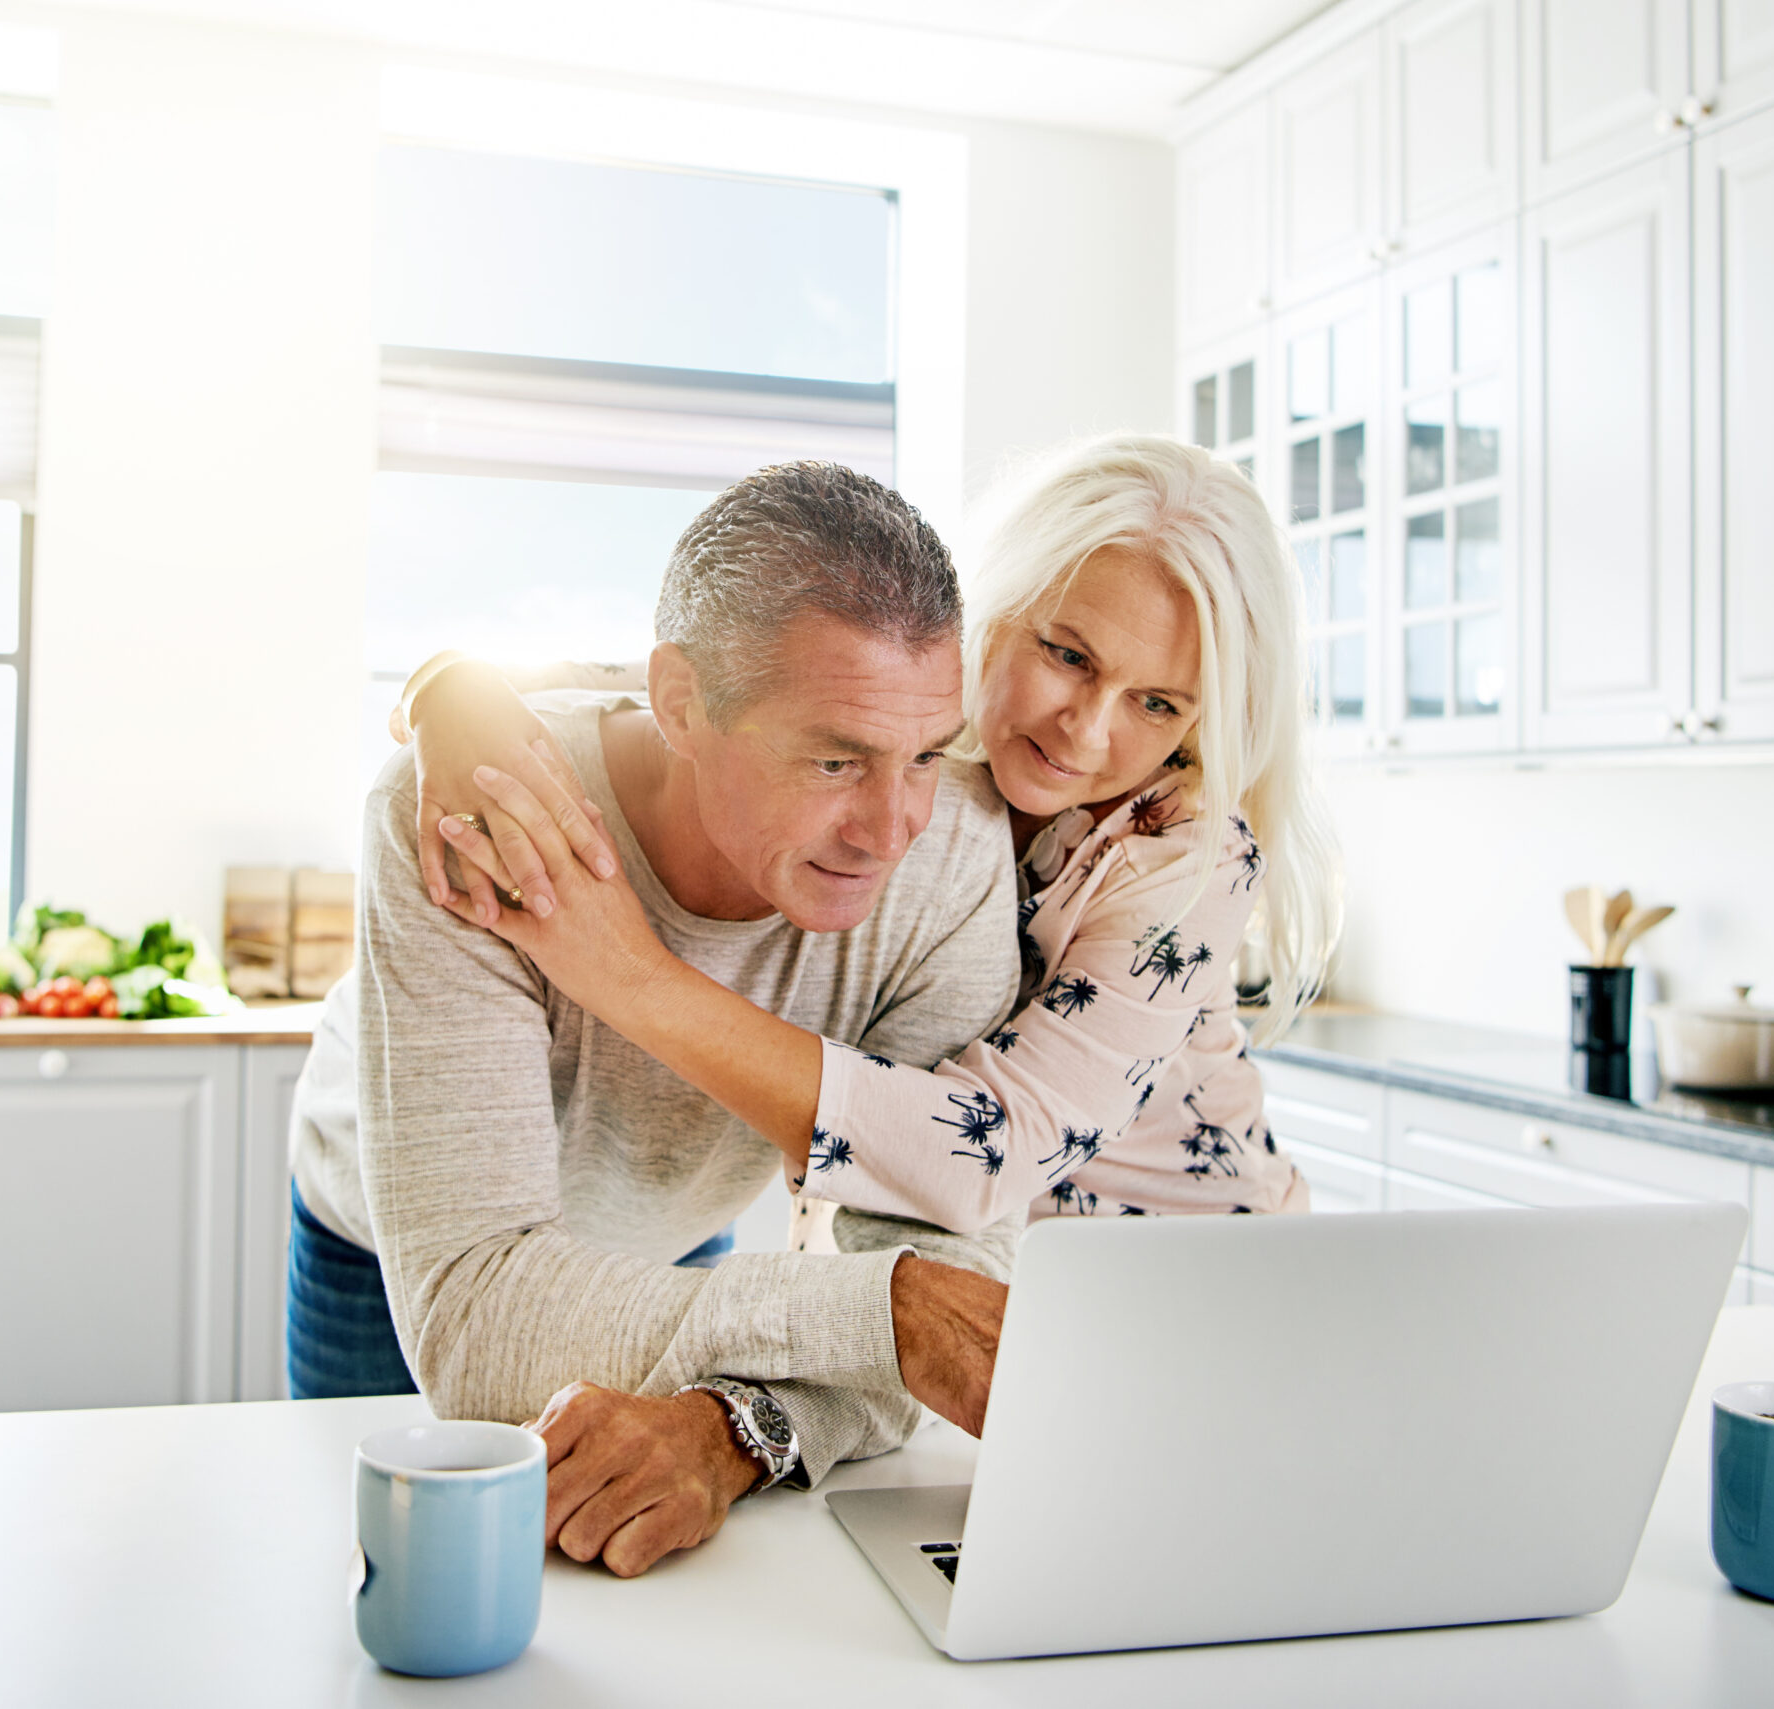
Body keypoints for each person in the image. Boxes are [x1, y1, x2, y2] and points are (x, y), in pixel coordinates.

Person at [285, 462, 1022, 1582]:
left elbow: (952, 1302)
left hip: (677, 1241)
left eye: (925, 752)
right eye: (835, 758)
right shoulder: (475, 810)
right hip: (394, 1254)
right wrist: (888, 1313)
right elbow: (475, 1318)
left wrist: (739, 1423)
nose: (892, 826)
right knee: (385, 1598)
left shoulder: (958, 861)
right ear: (679, 702)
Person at [413, 434, 1343, 1242]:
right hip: (976, 1280)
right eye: (1068, 655)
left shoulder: (1189, 854)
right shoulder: (925, 722)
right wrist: (454, 689)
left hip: (1191, 1265)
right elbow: (726, 683)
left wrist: (629, 974)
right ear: (997, 608)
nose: (1087, 730)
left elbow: (991, 1150)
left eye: (1156, 702)